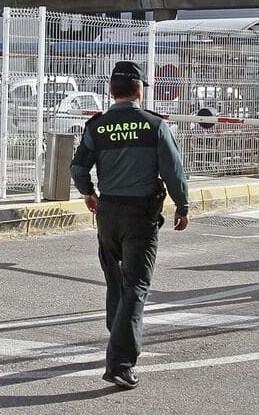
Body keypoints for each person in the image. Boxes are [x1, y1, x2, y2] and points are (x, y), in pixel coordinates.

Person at [70, 60, 189, 390]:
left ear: (111, 90)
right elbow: (173, 172)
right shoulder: (155, 125)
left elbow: (78, 168)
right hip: (139, 216)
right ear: (139, 90)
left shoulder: (97, 126)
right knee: (136, 285)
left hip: (107, 213)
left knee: (115, 280)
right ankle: (120, 364)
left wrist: (88, 194)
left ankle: (117, 335)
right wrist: (182, 206)